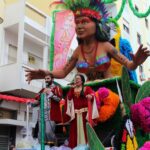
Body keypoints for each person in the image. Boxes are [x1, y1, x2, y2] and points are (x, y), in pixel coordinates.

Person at [25, 0, 150, 83]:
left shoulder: (106, 46)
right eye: (77, 23)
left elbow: (129, 65)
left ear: (96, 25)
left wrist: (136, 62)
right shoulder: (78, 51)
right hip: (87, 96)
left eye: (84, 22)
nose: (79, 26)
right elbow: (63, 72)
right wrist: (46, 73)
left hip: (109, 94)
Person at [64, 74, 99, 148]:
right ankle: (76, 147)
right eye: (75, 79)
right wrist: (71, 89)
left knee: (85, 132)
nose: (76, 80)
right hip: (75, 116)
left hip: (84, 115)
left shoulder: (87, 88)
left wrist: (91, 96)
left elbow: (93, 95)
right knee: (74, 133)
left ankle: (86, 147)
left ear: (82, 81)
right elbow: (69, 98)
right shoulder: (72, 90)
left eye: (78, 79)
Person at [30, 74, 63, 144]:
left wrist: (51, 94)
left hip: (51, 113)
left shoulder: (56, 88)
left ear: (52, 79)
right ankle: (42, 147)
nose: (46, 80)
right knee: (41, 132)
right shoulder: (42, 90)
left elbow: (59, 99)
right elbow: (37, 101)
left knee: (48, 131)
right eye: (45, 79)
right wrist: (31, 103)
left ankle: (52, 146)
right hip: (41, 112)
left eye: (48, 78)